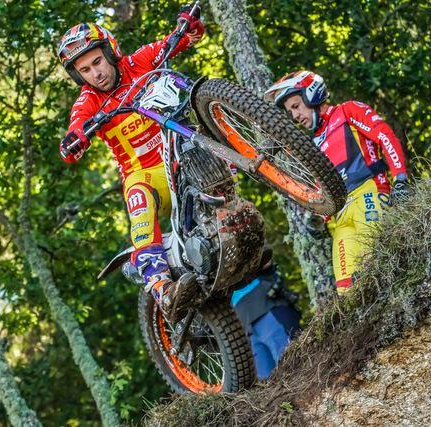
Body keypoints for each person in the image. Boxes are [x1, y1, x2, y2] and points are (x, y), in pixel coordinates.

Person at [57, 8, 205, 321]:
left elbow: (178, 41)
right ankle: (162, 287)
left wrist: (190, 28)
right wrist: (73, 140)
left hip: (178, 155)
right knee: (137, 194)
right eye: (85, 70)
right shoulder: (89, 101)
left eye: (97, 62)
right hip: (146, 177)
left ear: (111, 52)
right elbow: (75, 130)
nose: (96, 74)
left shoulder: (139, 62)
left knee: (202, 139)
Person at [265, 71, 410, 294]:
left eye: (296, 106)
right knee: (346, 290)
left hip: (368, 194)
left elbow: (385, 137)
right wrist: (320, 217)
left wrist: (400, 179)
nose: (294, 116)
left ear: (311, 95)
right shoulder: (311, 144)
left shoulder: (347, 110)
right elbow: (322, 187)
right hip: (340, 217)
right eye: (290, 111)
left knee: (374, 265)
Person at [231, 249, 301, 380]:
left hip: (269, 311)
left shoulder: (239, 250)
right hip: (246, 329)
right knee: (268, 383)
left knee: (294, 365)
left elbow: (265, 256)